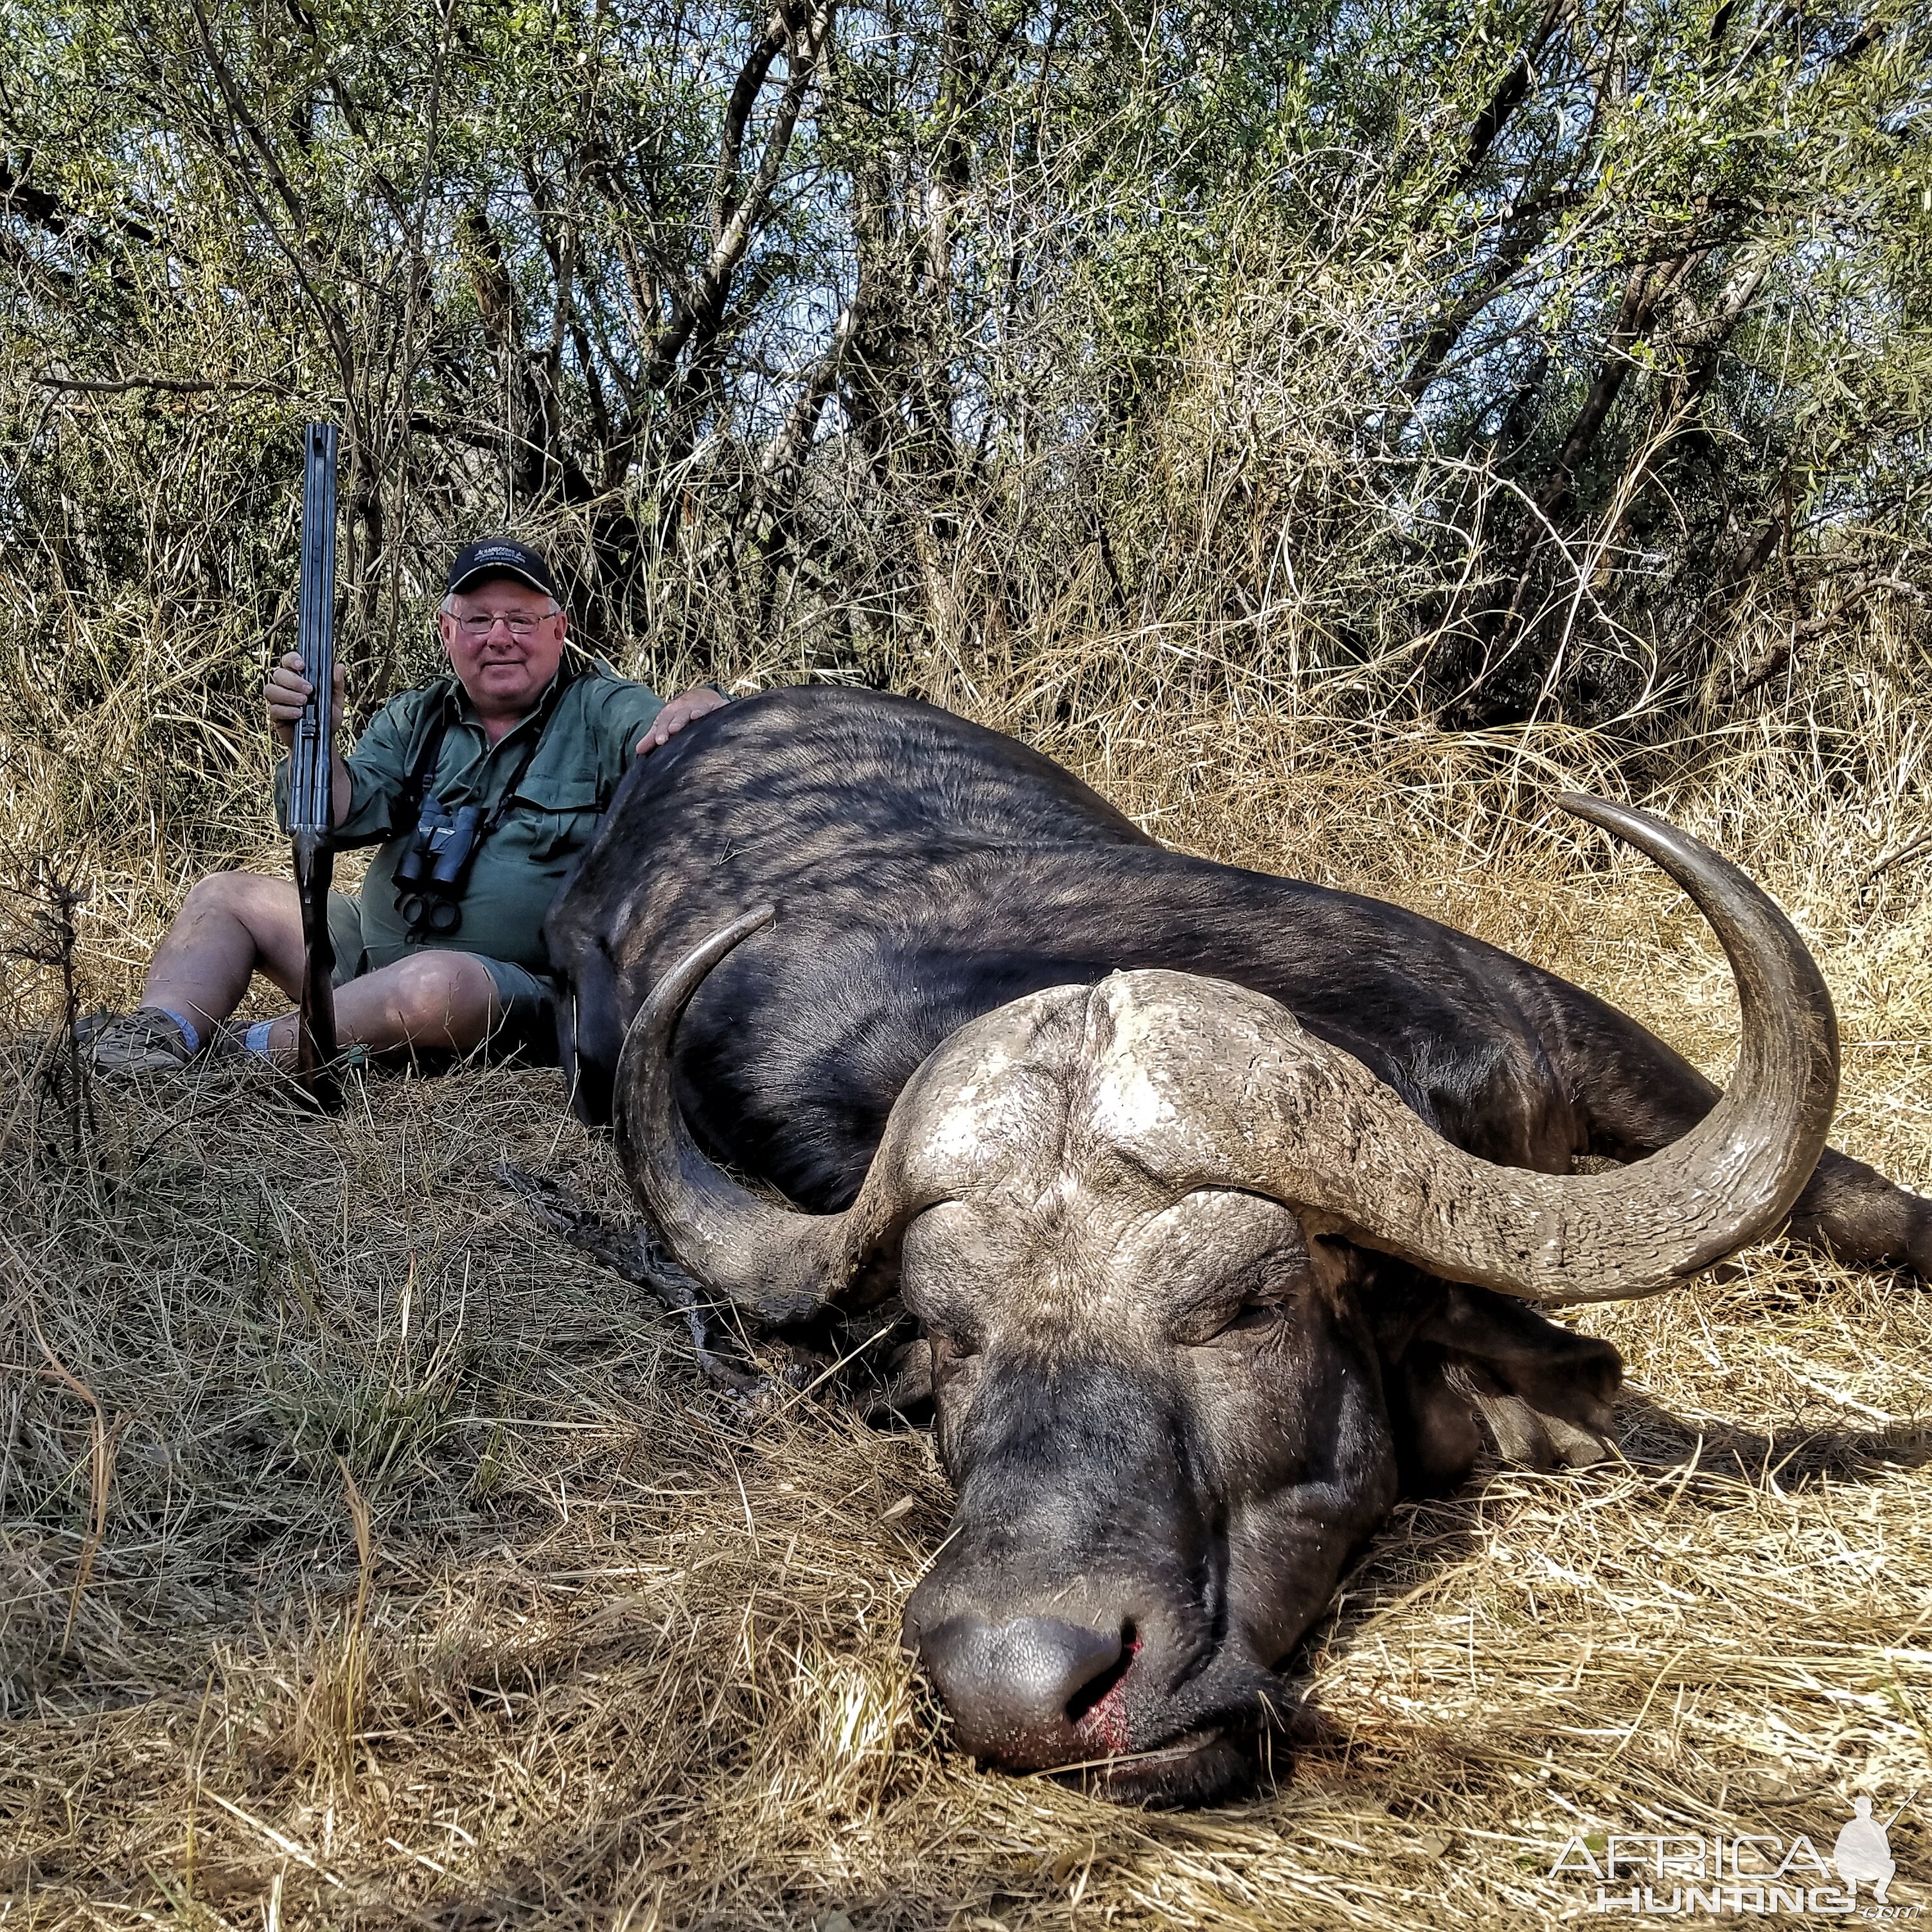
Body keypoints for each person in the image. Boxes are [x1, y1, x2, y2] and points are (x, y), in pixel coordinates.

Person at [85, 536, 727, 1076]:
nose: (499, 637)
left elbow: (676, 741)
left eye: (521, 619)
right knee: (225, 895)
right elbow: (332, 818)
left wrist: (703, 705)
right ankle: (155, 1036)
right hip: (368, 960)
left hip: (516, 992)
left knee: (433, 985)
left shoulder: (603, 709)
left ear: (557, 630)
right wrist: (309, 742)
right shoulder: (414, 716)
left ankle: (234, 1059)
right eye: (477, 620)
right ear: (448, 632)